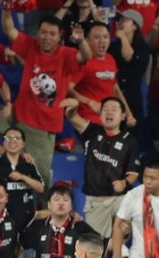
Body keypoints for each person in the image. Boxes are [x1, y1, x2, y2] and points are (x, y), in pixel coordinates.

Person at [1, 11, 90, 187]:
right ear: (37, 33)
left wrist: (81, 41)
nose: (47, 37)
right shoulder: (30, 45)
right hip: (16, 115)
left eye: (52, 33)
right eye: (43, 32)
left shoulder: (66, 54)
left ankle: (45, 203)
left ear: (60, 36)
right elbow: (9, 29)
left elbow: (86, 56)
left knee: (40, 178)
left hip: (43, 127)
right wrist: (5, 10)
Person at [64, 97, 141, 239]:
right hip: (96, 199)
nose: (109, 112)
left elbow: (134, 172)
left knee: (126, 231)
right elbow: (73, 117)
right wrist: (73, 107)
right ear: (100, 115)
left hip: (120, 198)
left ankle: (120, 248)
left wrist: (124, 183)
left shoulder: (130, 140)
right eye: (105, 109)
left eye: (114, 109)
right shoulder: (92, 132)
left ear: (122, 116)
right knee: (96, 243)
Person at [0, 127, 44, 231]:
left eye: (17, 138)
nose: (12, 141)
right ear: (3, 142)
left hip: (27, 222)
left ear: (23, 144)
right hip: (0, 223)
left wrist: (23, 177)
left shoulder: (29, 164)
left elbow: (41, 188)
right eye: (8, 138)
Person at [68, 22, 134, 127]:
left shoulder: (110, 59)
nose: (102, 41)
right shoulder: (83, 61)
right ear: (87, 40)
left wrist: (128, 113)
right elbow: (68, 88)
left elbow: (115, 89)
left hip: (108, 119)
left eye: (105, 37)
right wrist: (90, 102)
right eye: (96, 37)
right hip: (87, 119)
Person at [21, 183, 98, 258]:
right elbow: (23, 244)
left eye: (65, 200)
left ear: (71, 206)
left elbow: (99, 246)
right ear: (49, 205)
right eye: (56, 199)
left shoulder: (80, 227)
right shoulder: (39, 226)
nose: (61, 203)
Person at [110, 9, 151, 150]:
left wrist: (122, 38)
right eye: (119, 20)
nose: (120, 23)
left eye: (125, 20)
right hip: (114, 93)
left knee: (135, 136)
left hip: (133, 96)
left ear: (135, 26)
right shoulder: (113, 46)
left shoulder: (143, 48)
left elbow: (130, 58)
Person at [112, 160, 159, 258]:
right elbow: (118, 225)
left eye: (152, 178)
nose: (147, 181)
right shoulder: (133, 195)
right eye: (145, 177)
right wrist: (117, 256)